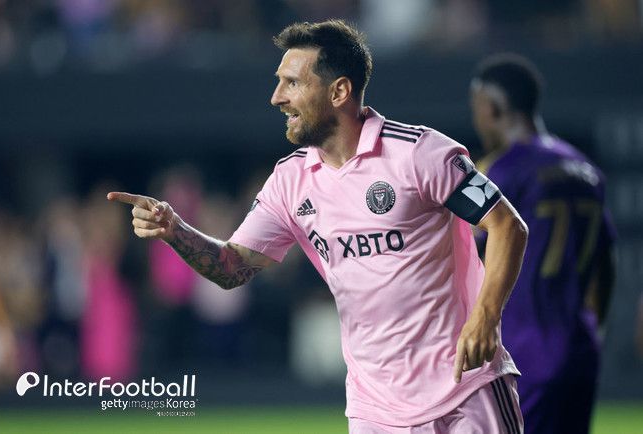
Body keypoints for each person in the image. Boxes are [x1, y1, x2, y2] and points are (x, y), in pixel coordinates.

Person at [109, 20, 528, 433]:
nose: (277, 97)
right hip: (375, 410)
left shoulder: (420, 153)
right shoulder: (290, 181)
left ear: (339, 91)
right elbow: (231, 267)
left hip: (465, 389)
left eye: (292, 83)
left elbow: (507, 226)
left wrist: (485, 317)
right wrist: (176, 230)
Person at [470, 53, 616, 434]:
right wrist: (591, 327)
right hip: (581, 347)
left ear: (492, 108)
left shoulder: (500, 170)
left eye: (478, 108)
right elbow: (605, 264)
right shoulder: (586, 169)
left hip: (526, 348)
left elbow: (465, 249)